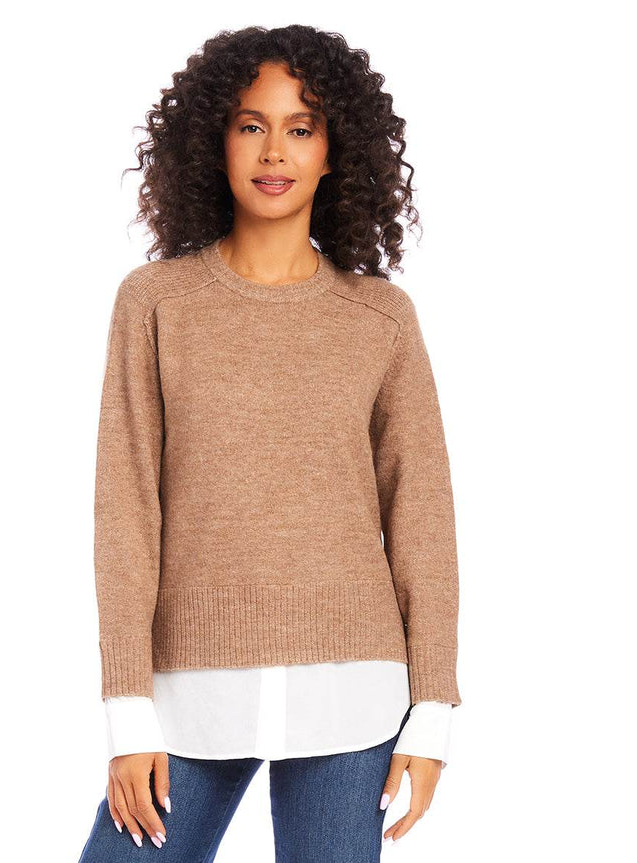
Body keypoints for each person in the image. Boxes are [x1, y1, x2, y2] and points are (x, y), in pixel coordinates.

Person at [78, 24, 462, 863]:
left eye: (301, 127)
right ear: (213, 141)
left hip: (355, 693)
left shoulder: (380, 318)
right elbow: (126, 511)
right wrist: (126, 706)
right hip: (188, 692)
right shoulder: (154, 304)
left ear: (334, 150)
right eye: (251, 124)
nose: (274, 150)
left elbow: (423, 515)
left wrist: (432, 707)